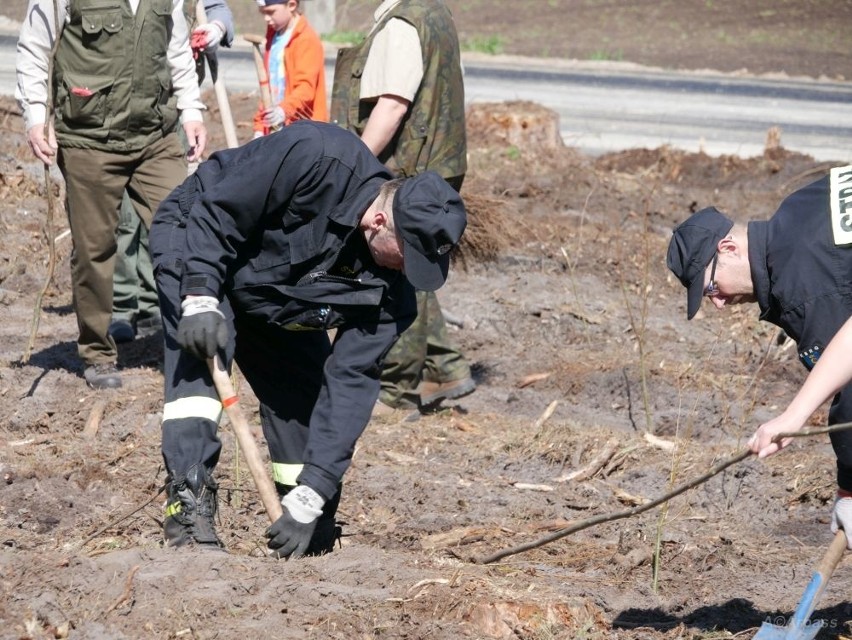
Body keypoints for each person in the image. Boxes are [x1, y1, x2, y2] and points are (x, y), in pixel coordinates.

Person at [149, 120, 467, 556]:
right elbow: (217, 212)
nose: (406, 275)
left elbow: (352, 382)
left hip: (280, 293)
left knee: (303, 396)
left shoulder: (395, 293)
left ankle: (301, 518)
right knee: (202, 362)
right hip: (201, 239)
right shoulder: (316, 155)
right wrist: (201, 294)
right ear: (378, 221)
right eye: (407, 258)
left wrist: (313, 493)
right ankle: (189, 513)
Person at [16, 0, 207, 389]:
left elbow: (176, 49)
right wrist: (36, 117)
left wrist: (191, 111)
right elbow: (34, 49)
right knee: (94, 249)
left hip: (155, 137)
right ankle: (98, 353)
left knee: (187, 233)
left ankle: (189, 341)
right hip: (88, 139)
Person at [666, 164, 852, 548]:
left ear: (728, 248)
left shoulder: (803, 284)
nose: (718, 304)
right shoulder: (798, 209)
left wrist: (849, 487)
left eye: (712, 287)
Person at [330, 0, 475, 413]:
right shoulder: (434, 11)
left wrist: (347, 168)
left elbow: (392, 106)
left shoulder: (402, 24)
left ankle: (395, 391)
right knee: (418, 267)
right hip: (436, 165)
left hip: (410, 172)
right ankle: (444, 368)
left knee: (400, 272)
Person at [109, 0, 235, 344]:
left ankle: (154, 301)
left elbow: (220, 11)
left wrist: (216, 30)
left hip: (174, 111)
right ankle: (121, 305)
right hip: (124, 111)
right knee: (123, 216)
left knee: (168, 212)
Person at [251, 0, 327, 139]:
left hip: (304, 133)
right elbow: (268, 87)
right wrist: (260, 127)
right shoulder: (274, 35)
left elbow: (306, 89)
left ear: (291, 5)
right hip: (276, 128)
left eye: (271, 12)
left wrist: (283, 111)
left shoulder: (306, 40)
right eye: (263, 12)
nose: (266, 18)